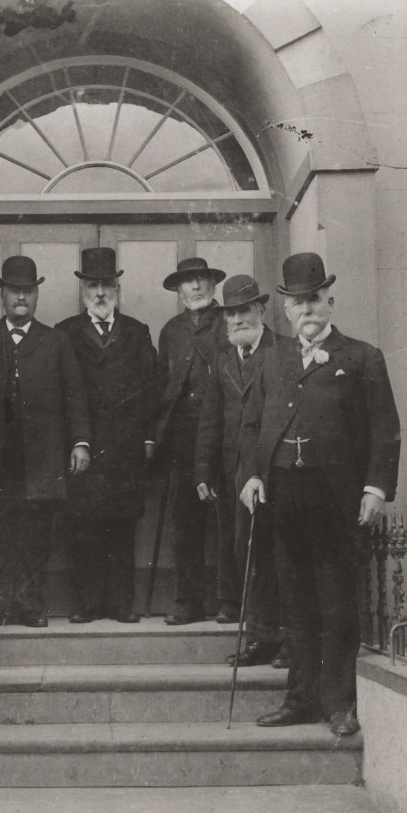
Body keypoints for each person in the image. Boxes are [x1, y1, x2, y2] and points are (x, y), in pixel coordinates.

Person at [239, 252, 400, 736]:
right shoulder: (272, 359)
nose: (306, 309)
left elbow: (385, 429)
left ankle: (339, 704)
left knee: (336, 603)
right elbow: (250, 425)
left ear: (330, 300)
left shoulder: (362, 357)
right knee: (296, 603)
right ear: (285, 310)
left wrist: (375, 488)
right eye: (296, 302)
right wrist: (251, 474)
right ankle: (300, 699)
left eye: (313, 299)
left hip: (337, 501)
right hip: (284, 499)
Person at [0, 255, 91, 628]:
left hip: (41, 459)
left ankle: (31, 606)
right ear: (2, 294)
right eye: (14, 291)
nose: (21, 298)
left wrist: (80, 442)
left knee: (35, 537)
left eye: (28, 292)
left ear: (36, 296)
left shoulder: (56, 341)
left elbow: (74, 395)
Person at [56, 248, 158, 624]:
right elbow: (61, 392)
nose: (100, 293)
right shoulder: (65, 332)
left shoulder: (136, 331)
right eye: (92, 285)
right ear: (83, 289)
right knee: (83, 528)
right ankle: (86, 604)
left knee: (121, 527)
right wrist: (73, 441)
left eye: (107, 285)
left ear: (117, 287)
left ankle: (121, 604)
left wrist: (147, 437)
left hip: (125, 449)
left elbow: (150, 387)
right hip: (82, 449)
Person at [194, 274, 287, 666]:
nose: (235, 321)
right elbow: (210, 420)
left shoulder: (284, 351)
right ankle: (260, 638)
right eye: (229, 314)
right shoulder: (222, 359)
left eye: (243, 311)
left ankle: (288, 641)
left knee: (278, 553)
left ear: (260, 310)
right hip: (235, 475)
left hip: (277, 471)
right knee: (244, 552)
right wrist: (202, 470)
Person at [155, 257, 229, 625]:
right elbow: (161, 387)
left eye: (202, 280)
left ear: (212, 286)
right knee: (184, 523)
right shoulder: (170, 330)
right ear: (179, 290)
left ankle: (230, 600)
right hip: (183, 439)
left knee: (230, 517)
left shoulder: (228, 320)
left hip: (225, 433)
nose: (196, 287)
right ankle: (188, 601)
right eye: (189, 282)